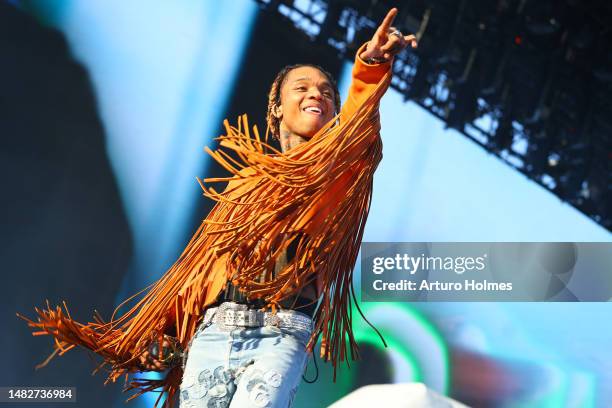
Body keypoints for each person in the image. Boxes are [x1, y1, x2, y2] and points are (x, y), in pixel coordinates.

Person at [19, 7, 417, 408]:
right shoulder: (246, 185)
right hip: (215, 330)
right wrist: (171, 330)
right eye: (302, 88)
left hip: (281, 331)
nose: (317, 94)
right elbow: (203, 266)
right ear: (276, 108)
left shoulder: (335, 175)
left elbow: (359, 125)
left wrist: (371, 64)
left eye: (327, 92)